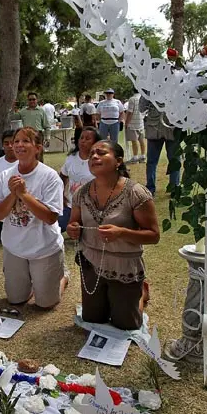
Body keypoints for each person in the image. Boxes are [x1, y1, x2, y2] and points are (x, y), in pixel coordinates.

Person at [66, 140, 159, 330]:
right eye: (92, 154)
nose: (94, 157)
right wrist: (73, 229)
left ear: (118, 161)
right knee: (93, 320)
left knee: (126, 325)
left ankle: (140, 292)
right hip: (92, 264)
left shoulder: (135, 193)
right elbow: (73, 224)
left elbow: (153, 235)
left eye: (101, 153)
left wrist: (122, 233)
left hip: (123, 266)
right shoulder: (81, 194)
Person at [0, 127, 66, 310]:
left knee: (45, 304)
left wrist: (24, 195)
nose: (19, 145)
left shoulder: (50, 177)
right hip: (14, 248)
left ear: (38, 148)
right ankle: (32, 282)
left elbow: (51, 218)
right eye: (16, 141)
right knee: (15, 300)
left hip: (44, 248)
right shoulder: (5, 175)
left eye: (25, 141)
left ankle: (62, 277)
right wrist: (13, 195)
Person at [58, 126, 101, 232]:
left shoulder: (99, 160)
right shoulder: (71, 158)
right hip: (71, 206)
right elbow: (62, 176)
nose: (83, 141)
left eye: (87, 139)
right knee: (57, 227)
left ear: (95, 142)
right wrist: (62, 195)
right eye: (81, 138)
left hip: (94, 208)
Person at [139, 97, 180, 195]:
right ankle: (151, 188)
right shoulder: (149, 88)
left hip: (171, 128)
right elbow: (141, 108)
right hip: (155, 129)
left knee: (174, 161)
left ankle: (173, 188)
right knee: (152, 162)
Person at [0, 130, 18, 243]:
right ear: (2, 145)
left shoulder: (24, 163)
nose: (10, 146)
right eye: (6, 143)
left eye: (12, 142)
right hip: (2, 203)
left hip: (20, 203)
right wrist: (3, 194)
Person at [125, 90, 146, 163]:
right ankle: (143, 156)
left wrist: (127, 122)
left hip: (133, 123)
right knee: (141, 140)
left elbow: (130, 112)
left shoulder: (132, 99)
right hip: (141, 122)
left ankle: (135, 157)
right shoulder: (144, 98)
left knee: (134, 141)